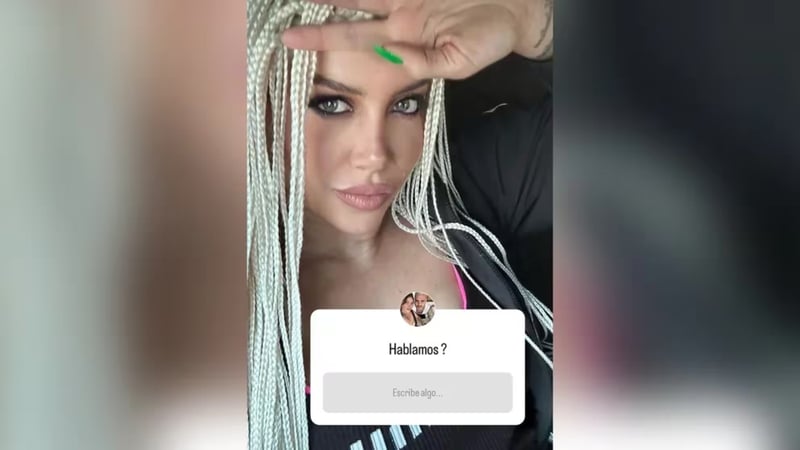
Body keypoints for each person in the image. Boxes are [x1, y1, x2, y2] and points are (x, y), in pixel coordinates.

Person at [247, 0, 553, 449]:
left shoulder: (469, 191)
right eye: (331, 103)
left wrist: (527, 20)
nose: (375, 154)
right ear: (261, 98)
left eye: (407, 103)